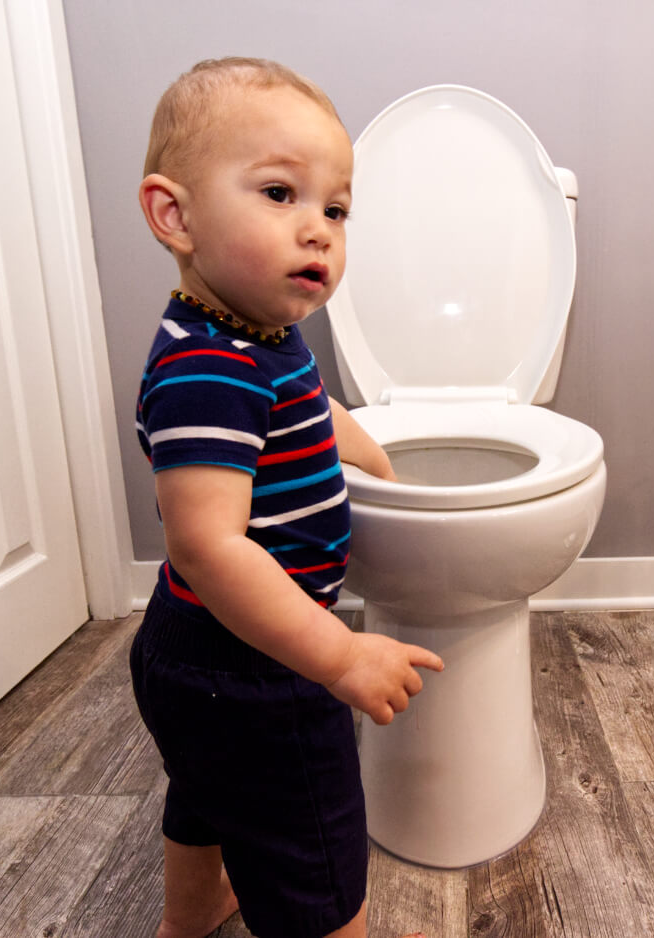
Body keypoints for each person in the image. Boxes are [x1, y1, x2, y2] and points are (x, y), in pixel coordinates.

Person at [130, 56, 444, 938]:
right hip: (255, 665)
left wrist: (375, 456)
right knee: (315, 853)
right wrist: (340, 660)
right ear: (175, 214)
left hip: (197, 654)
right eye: (279, 194)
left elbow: (312, 405)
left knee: (206, 798)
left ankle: (186, 920)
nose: (318, 231)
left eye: (335, 210)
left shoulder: (255, 335)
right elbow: (209, 545)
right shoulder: (206, 372)